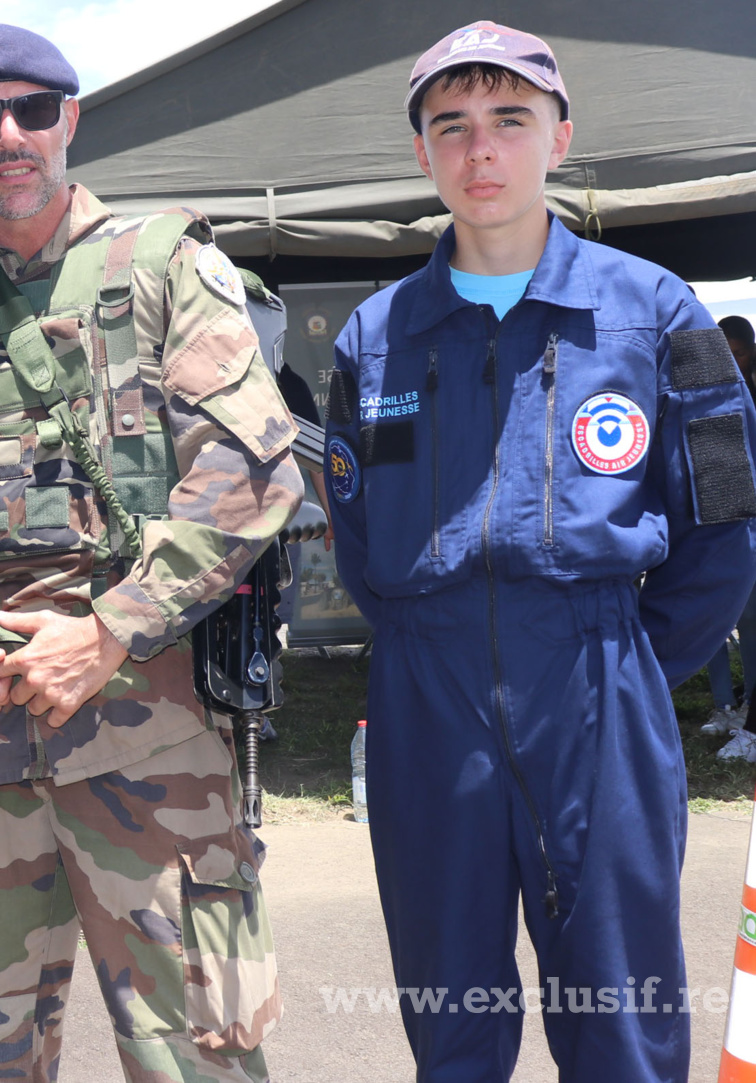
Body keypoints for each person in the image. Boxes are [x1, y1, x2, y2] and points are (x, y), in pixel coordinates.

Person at [0, 23, 301, 1083]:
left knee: (199, 1061)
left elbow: (253, 475)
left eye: (32, 111)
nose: (8, 135)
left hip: (152, 754)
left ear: (68, 121)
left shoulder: (167, 267)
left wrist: (109, 633)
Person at [324, 21, 756, 1081]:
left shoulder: (654, 312)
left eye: (509, 121)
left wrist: (628, 668)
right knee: (451, 1021)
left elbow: (723, 527)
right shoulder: (373, 338)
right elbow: (355, 537)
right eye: (452, 126)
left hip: (601, 693)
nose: (481, 152)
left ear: (559, 138)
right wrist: (435, 645)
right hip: (427, 708)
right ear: (422, 152)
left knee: (620, 1025)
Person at [700, 314, 756, 760]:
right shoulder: (704, 387)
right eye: (727, 352)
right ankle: (723, 706)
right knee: (713, 622)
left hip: (747, 522)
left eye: (739, 352)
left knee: (751, 623)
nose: (733, 361)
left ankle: (749, 713)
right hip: (710, 519)